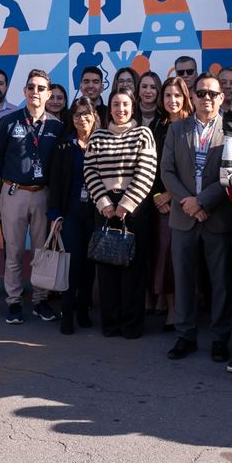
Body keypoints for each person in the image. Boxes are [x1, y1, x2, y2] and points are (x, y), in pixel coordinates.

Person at [161, 74, 232, 363]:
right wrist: (190, 204)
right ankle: (185, 335)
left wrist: (202, 201)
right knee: (183, 279)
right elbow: (166, 171)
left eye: (213, 94)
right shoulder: (176, 129)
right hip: (184, 217)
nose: (207, 98)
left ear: (221, 98)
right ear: (192, 97)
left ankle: (220, 337)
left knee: (221, 282)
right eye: (202, 93)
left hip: (216, 215)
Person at [84, 90, 161, 340]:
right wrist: (104, 202)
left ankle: (131, 325)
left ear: (133, 106)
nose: (121, 109)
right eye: (116, 104)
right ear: (110, 108)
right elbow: (90, 171)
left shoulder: (143, 134)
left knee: (133, 270)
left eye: (125, 104)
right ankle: (111, 323)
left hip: (134, 208)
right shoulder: (98, 136)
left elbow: (147, 171)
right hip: (104, 207)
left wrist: (127, 204)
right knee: (107, 269)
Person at [0, 69, 64, 325]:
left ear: (48, 94)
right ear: (24, 91)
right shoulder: (9, 122)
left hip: (43, 194)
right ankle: (13, 301)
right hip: (14, 193)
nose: (35, 92)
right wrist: (11, 180)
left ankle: (40, 300)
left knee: (42, 251)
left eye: (41, 88)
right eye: (31, 87)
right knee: (14, 251)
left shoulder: (56, 126)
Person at [48, 102, 101, 334]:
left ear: (94, 116)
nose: (82, 119)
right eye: (77, 115)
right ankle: (67, 312)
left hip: (96, 213)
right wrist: (55, 214)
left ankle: (83, 310)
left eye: (86, 114)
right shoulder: (64, 145)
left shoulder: (103, 143)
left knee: (90, 265)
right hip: (70, 214)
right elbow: (55, 182)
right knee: (72, 263)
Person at [148, 76, 194, 316]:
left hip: (186, 201)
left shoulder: (194, 125)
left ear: (185, 97)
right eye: (168, 95)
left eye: (177, 95)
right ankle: (167, 304)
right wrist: (158, 195)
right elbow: (153, 167)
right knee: (163, 254)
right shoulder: (158, 126)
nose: (172, 100)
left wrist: (171, 195)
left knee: (181, 258)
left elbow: (193, 169)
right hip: (161, 204)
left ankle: (178, 309)